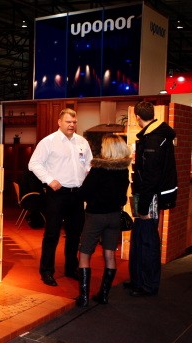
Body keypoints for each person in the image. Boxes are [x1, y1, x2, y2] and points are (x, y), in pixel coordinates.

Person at [29, 108, 93, 286]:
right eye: (68, 122)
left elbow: (89, 162)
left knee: (74, 234)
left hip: (77, 194)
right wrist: (49, 180)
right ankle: (46, 271)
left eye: (74, 122)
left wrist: (88, 172)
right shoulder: (48, 142)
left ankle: (71, 268)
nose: (72, 125)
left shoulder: (82, 142)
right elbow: (34, 164)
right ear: (59, 122)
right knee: (52, 234)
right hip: (57, 194)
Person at [126, 101, 178, 297]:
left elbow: (151, 176)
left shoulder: (154, 139)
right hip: (148, 196)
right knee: (140, 239)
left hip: (149, 198)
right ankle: (138, 281)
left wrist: (143, 206)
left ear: (137, 117)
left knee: (147, 242)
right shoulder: (156, 135)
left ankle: (147, 285)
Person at [76, 135, 131, 307]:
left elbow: (84, 193)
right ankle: (104, 295)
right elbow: (122, 198)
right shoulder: (123, 170)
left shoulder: (98, 169)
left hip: (95, 216)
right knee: (109, 255)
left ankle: (84, 297)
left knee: (84, 253)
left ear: (107, 149)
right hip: (114, 216)